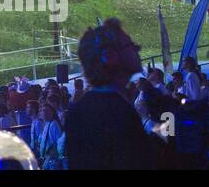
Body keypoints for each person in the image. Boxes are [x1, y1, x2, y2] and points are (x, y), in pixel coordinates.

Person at [65, 19, 156, 170]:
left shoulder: (83, 108)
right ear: (109, 56)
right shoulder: (116, 111)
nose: (137, 49)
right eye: (130, 45)